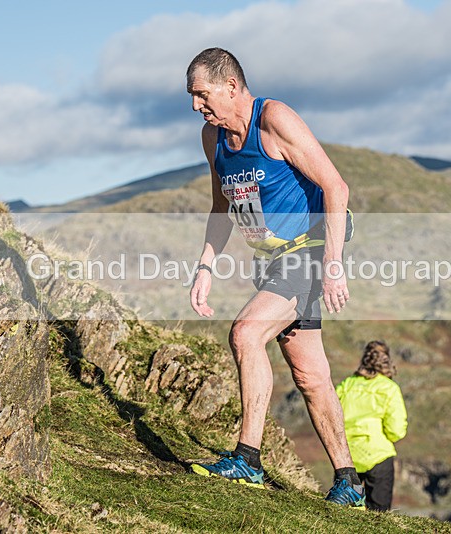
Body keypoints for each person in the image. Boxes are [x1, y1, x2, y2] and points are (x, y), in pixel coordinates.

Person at [185, 47, 364, 507]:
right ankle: (349, 483)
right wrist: (206, 265)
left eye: (202, 94)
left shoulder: (275, 119)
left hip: (310, 250)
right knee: (310, 375)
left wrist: (333, 264)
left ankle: (248, 459)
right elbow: (221, 208)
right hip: (272, 260)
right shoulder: (213, 139)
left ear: (231, 86)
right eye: (191, 96)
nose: (196, 106)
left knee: (246, 333)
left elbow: (336, 187)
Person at [335, 341, 408, 512]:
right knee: (378, 515)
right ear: (387, 361)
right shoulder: (389, 388)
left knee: (343, 511)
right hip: (378, 456)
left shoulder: (346, 385)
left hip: (346, 456)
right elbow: (396, 430)